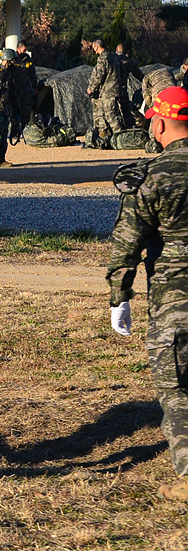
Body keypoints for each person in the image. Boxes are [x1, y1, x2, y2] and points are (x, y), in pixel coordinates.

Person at [107, 86, 188, 501]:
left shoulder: (151, 176)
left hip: (175, 298)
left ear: (158, 122)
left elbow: (127, 244)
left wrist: (119, 296)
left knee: (175, 389)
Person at [87, 39, 125, 140]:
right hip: (117, 89)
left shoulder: (102, 58)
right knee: (109, 112)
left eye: (94, 48)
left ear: (96, 47)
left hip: (108, 91)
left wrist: (91, 88)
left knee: (110, 115)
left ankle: (120, 137)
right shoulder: (115, 56)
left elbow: (99, 76)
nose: (95, 51)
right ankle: (105, 136)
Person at [116, 44, 144, 129]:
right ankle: (136, 120)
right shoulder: (128, 61)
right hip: (123, 89)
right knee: (126, 106)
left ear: (117, 50)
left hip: (110, 89)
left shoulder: (113, 59)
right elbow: (139, 75)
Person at [11, 40, 38, 129]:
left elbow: (32, 74)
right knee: (15, 110)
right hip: (15, 88)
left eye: (26, 50)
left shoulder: (27, 59)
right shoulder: (12, 58)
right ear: (18, 49)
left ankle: (24, 127)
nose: (24, 52)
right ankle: (14, 129)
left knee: (26, 109)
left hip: (26, 88)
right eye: (23, 50)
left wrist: (34, 87)